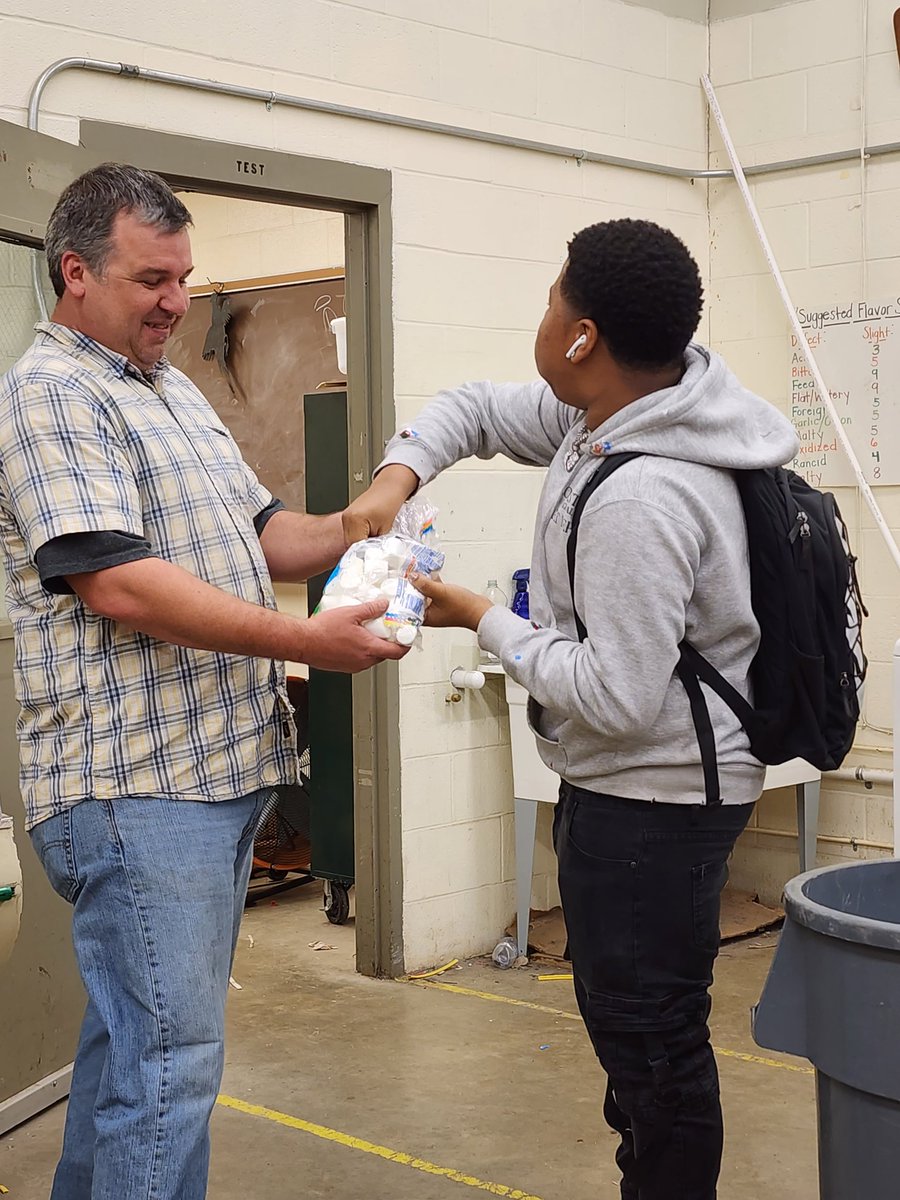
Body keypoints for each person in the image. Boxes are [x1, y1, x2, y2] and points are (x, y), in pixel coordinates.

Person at [347, 218, 799, 1199]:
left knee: (656, 1049)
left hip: (659, 803)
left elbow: (619, 694)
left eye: (554, 297)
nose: (543, 316)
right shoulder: (609, 416)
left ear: (584, 335)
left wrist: (478, 615)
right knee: (630, 1029)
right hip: (622, 789)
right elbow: (470, 410)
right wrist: (398, 478)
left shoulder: (647, 494)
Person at [0, 163, 406, 1200]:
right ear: (77, 272)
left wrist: (360, 524)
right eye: (152, 281)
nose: (177, 303)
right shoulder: (51, 395)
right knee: (169, 1073)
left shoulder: (169, 388)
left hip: (213, 778)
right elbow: (119, 585)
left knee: (129, 1055)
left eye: (185, 277)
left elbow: (267, 532)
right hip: (137, 787)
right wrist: (305, 643)